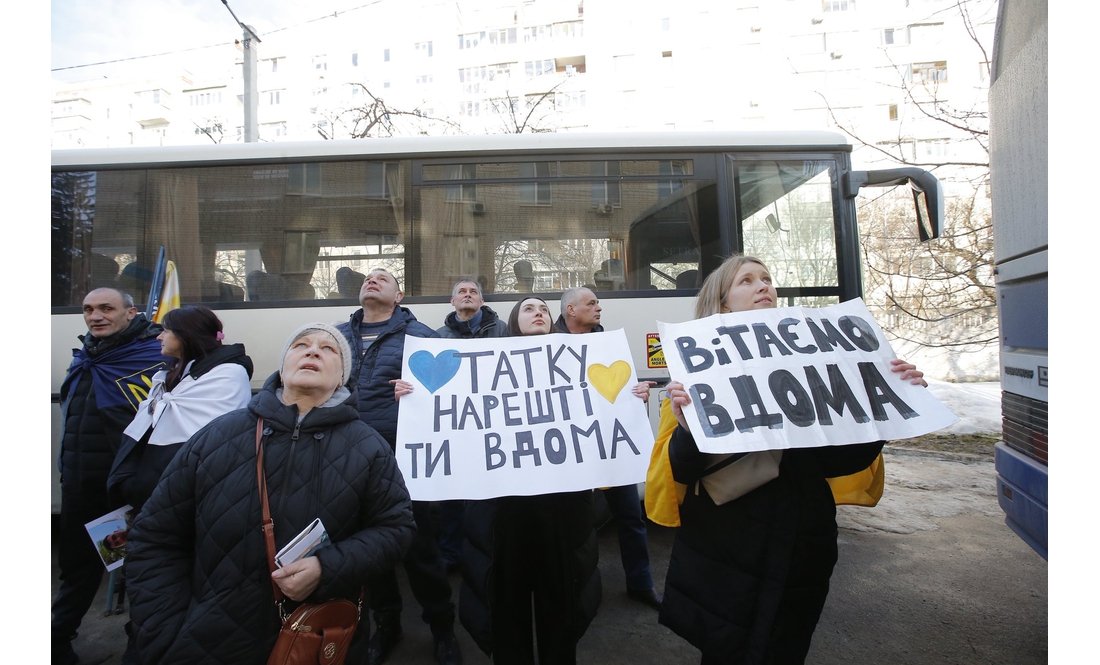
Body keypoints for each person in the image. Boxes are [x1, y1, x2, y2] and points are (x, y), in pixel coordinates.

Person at [658, 255, 928, 664]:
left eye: (766, 278)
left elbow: (842, 460)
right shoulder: (693, 373)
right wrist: (689, 425)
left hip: (803, 543)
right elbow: (679, 469)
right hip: (728, 545)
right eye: (746, 280)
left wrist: (886, 404)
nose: (762, 285)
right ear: (723, 302)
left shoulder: (815, 362)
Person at [124, 322, 416, 664]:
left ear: (342, 378)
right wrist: (164, 634)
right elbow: (154, 538)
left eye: (329, 349)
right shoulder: (217, 436)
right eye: (301, 345)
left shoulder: (369, 447)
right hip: (205, 646)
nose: (312, 351)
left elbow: (396, 531)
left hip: (318, 644)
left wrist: (327, 568)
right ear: (283, 366)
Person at [446, 296, 648, 664]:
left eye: (542, 308)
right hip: (503, 517)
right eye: (528, 308)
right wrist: (414, 400)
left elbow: (602, 416)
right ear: (513, 322)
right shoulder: (483, 368)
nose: (538, 312)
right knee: (507, 608)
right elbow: (454, 420)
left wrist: (630, 398)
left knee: (562, 605)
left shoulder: (577, 361)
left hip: (562, 514)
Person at [336, 268, 462, 665]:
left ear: (399, 296)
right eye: (368, 278)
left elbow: (452, 395)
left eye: (383, 279)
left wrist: (421, 391)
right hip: (347, 457)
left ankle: (442, 629)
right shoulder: (336, 336)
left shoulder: (422, 336)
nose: (372, 281)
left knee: (419, 547)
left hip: (403, 459)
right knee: (368, 550)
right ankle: (386, 624)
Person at [52, 288, 167, 665]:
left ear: (131, 313)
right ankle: (57, 641)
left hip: (125, 490)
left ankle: (139, 648)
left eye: (106, 308)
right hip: (80, 487)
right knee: (79, 568)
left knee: (136, 568)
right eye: (88, 309)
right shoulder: (83, 360)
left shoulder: (153, 359)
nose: (95, 316)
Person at [553, 286, 663, 610]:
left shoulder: (610, 343)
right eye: (591, 303)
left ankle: (641, 584)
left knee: (630, 516)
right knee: (570, 525)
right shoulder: (547, 345)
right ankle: (571, 590)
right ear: (570, 310)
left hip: (609, 447)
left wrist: (637, 392)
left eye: (597, 303)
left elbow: (620, 388)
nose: (598, 307)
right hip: (570, 450)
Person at [108, 305, 254, 513]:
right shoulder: (175, 373)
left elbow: (211, 437)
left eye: (166, 330)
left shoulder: (227, 375)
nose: (159, 337)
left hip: (191, 492)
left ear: (187, 334)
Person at [434, 278, 508, 573]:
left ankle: (491, 550)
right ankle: (451, 554)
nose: (467, 295)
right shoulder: (437, 337)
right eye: (461, 292)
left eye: (473, 292)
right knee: (453, 494)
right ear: (452, 302)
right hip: (456, 424)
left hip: (495, 423)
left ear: (481, 301)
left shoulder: (503, 331)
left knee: (492, 493)